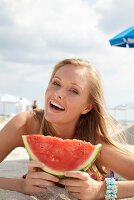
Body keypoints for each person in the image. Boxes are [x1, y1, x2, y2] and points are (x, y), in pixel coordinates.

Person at [0, 58, 134, 199]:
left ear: (87, 107)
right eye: (56, 83)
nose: (59, 93)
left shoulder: (93, 143)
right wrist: (21, 186)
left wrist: (100, 189)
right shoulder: (25, 123)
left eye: (74, 91)